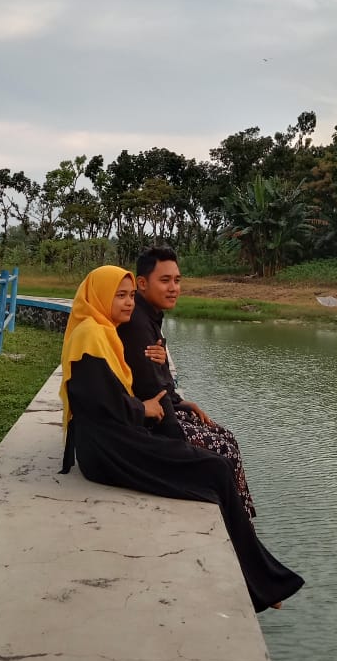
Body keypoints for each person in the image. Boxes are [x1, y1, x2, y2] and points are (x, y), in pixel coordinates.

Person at [59, 265, 304, 613]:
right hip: (109, 450)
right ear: (98, 297)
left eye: (130, 296)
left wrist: (149, 403)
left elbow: (115, 393)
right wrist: (142, 409)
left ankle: (260, 580)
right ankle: (263, 583)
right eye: (120, 295)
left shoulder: (103, 331)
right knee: (214, 469)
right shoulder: (91, 335)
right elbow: (95, 401)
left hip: (113, 443)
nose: (129, 303)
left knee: (213, 471)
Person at [118, 246, 256, 519]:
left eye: (177, 280)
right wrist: (178, 443)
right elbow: (150, 388)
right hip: (148, 425)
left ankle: (240, 517)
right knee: (225, 449)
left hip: (156, 412)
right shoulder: (138, 323)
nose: (173, 288)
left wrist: (182, 403)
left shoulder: (149, 317)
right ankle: (239, 522)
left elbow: (158, 378)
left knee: (225, 437)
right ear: (142, 283)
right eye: (165, 280)